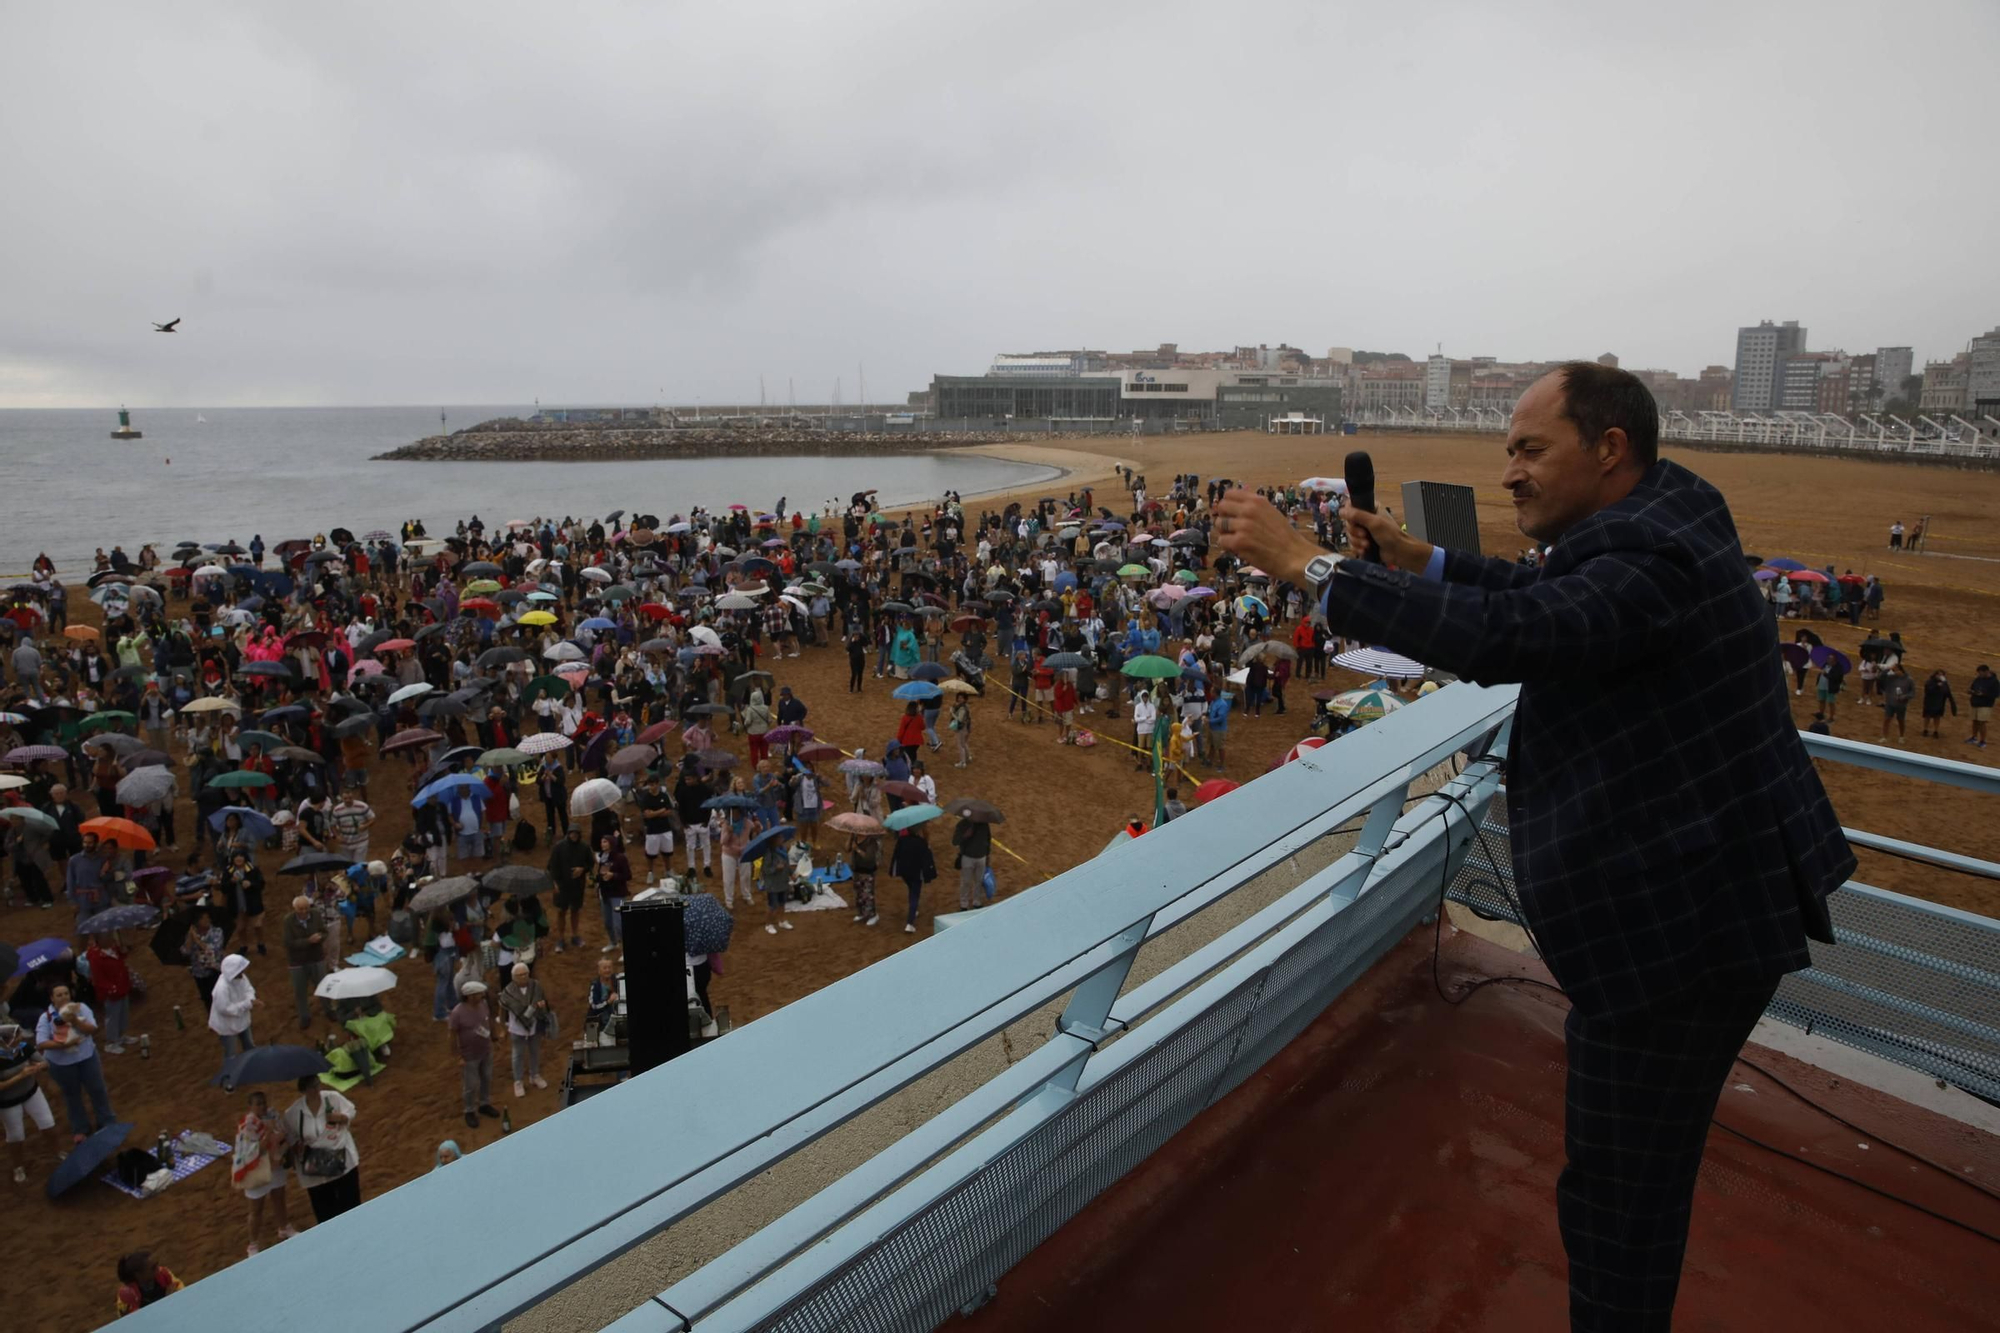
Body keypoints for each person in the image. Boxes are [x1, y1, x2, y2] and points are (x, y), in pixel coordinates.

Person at [1213, 361, 1853, 1332]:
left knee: (1616, 1197)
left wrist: (1311, 566)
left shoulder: (1651, 559)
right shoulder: (1660, 514)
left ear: (1608, 448)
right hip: (1703, 905)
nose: (1507, 472)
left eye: (1527, 449)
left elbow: (1518, 627)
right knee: (1629, 1176)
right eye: (1505, 450)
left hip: (1679, 934)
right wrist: (1414, 558)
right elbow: (1539, 589)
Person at [36, 983, 115, 1141]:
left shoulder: (81, 1008)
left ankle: (106, 1121)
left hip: (87, 1056)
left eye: (66, 993)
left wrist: (76, 1021)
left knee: (97, 1089)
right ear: (52, 998)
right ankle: (80, 1129)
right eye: (59, 995)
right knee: (72, 1095)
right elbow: (41, 1043)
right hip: (62, 1064)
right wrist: (64, 1045)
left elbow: (93, 1029)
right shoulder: (47, 1017)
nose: (64, 997)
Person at [284, 1074, 362, 1222]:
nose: (316, 1089)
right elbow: (290, 1136)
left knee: (352, 1207)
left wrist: (339, 1117)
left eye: (317, 1084)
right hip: (316, 1170)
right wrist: (296, 1146)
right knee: (326, 1215)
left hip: (343, 1162)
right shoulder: (293, 1113)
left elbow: (351, 1112)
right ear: (303, 1090)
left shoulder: (332, 1098)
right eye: (311, 1087)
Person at [232, 1089, 299, 1255]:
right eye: (258, 1104)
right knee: (256, 1209)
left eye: (264, 1102)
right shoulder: (247, 1125)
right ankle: (253, 1244)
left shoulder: (273, 1115)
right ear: (250, 1106)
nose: (263, 1106)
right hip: (256, 1170)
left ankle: (284, 1228)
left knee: (279, 1198)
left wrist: (279, 1134)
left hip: (275, 1165)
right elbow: (254, 1151)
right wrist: (269, 1132)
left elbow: (285, 1134)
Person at [0, 1020, 54, 1184]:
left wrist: (40, 1066)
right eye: (15, 1036)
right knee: (16, 1135)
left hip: (32, 1092)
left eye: (18, 1034)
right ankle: (18, 1167)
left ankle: (56, 1153)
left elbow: (45, 1063)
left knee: (48, 1123)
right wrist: (21, 1075)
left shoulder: (24, 1047)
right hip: (8, 1102)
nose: (19, 1038)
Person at [448, 979, 500, 1129]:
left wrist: (494, 1037)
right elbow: (452, 1035)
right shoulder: (457, 1013)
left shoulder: (483, 1005)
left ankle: (484, 1104)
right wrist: (457, 1056)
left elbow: (489, 1021)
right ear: (470, 996)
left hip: (485, 1050)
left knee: (486, 1078)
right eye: (479, 994)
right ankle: (469, 1110)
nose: (482, 995)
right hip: (469, 1055)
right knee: (470, 1085)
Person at [497, 962, 550, 1099]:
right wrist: (502, 1028)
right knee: (517, 1055)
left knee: (535, 1051)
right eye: (520, 975)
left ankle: (535, 1075)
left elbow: (544, 1002)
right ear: (514, 977)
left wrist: (542, 1007)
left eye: (525, 974)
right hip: (517, 1027)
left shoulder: (536, 986)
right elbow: (502, 1011)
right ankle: (518, 1081)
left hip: (534, 1024)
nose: (523, 977)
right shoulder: (508, 991)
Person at [282, 895, 332, 1030]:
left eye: (306, 908)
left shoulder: (315, 915)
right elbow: (288, 943)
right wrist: (308, 941)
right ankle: (304, 1017)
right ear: (295, 909)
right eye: (300, 909)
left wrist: (321, 937)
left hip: (317, 957)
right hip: (297, 961)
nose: (304, 911)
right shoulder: (288, 921)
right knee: (300, 991)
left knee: (324, 986)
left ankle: (329, 1010)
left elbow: (324, 932)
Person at [208, 952, 260, 1076]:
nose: (243, 973)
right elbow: (226, 1009)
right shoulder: (221, 988)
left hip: (243, 1021)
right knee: (231, 1054)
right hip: (227, 1027)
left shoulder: (241, 977)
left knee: (250, 1046)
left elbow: (249, 990)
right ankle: (229, 1078)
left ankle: (253, 1067)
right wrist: (248, 1004)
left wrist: (250, 999)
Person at [82, 935, 133, 1054]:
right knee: (113, 1017)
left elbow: (121, 959)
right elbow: (99, 978)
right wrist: (112, 989)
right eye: (108, 935)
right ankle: (111, 1042)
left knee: (123, 1013)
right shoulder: (95, 957)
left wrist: (123, 951)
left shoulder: (114, 949)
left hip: (122, 987)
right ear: (99, 940)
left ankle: (121, 1036)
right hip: (111, 993)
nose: (111, 937)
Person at [547, 825, 591, 951]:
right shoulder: (559, 847)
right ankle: (560, 939)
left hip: (577, 885)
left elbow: (590, 863)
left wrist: (582, 869)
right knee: (561, 911)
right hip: (561, 885)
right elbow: (551, 867)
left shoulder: (584, 847)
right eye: (572, 833)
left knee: (575, 910)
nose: (574, 836)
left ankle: (575, 936)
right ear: (568, 834)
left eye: (576, 834)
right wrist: (554, 883)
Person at [889, 824, 935, 935]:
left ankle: (913, 911)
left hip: (904, 873)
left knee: (911, 891)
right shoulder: (921, 842)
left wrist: (894, 870)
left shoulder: (902, 840)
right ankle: (910, 923)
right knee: (914, 895)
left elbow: (896, 855)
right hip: (916, 874)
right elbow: (926, 860)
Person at [114, 1251, 184, 1317]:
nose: (158, 1268)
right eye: (153, 1268)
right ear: (139, 1275)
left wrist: (175, 1296)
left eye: (157, 1264)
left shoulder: (164, 1274)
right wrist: (167, 1299)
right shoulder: (127, 1294)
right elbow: (136, 1320)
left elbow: (182, 1292)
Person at [636, 772, 676, 884]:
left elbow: (669, 812)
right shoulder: (645, 798)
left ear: (658, 784)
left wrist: (655, 813)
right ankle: (650, 872)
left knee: (667, 852)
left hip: (665, 829)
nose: (652, 787)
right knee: (651, 854)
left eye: (653, 784)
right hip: (652, 830)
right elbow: (647, 815)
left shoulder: (664, 796)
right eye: (650, 785)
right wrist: (661, 811)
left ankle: (668, 870)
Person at [594, 833, 630, 952]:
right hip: (605, 893)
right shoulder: (602, 858)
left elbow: (627, 875)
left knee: (619, 924)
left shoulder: (620, 858)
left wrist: (613, 875)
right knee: (608, 922)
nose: (602, 844)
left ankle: (626, 949)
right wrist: (597, 881)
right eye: (601, 842)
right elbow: (600, 874)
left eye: (605, 841)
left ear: (611, 843)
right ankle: (613, 942)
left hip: (618, 894)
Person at [951, 814, 990, 911]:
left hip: (981, 857)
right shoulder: (962, 825)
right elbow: (955, 841)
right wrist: (965, 836)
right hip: (968, 857)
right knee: (966, 882)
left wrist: (987, 855)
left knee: (979, 881)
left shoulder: (984, 825)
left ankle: (977, 901)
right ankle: (964, 904)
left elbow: (988, 839)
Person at [1878, 662, 1915, 742]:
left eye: (1895, 670)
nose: (1894, 672)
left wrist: (1904, 697)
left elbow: (1912, 693)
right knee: (1886, 719)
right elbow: (1880, 678)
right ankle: (1885, 737)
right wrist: (1888, 668)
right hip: (1890, 703)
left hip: (1901, 704)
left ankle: (1901, 736)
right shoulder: (1890, 678)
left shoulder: (1909, 680)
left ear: (1900, 670)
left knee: (1901, 720)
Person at [1969, 663, 1996, 749]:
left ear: (1986, 671)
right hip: (1975, 702)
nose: (1979, 674)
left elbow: (1995, 694)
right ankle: (1974, 737)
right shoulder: (1978, 679)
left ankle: (1983, 741)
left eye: (1981, 673)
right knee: (1975, 721)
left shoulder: (1994, 681)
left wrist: (1983, 694)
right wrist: (1971, 691)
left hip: (1985, 705)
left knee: (1982, 723)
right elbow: (1972, 687)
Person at [948, 694, 973, 768]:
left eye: (961, 698)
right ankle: (968, 757)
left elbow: (959, 719)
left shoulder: (962, 708)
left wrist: (952, 713)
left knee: (960, 745)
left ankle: (962, 762)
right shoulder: (965, 706)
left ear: (965, 699)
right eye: (958, 698)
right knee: (964, 743)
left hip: (962, 728)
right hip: (966, 727)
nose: (959, 699)